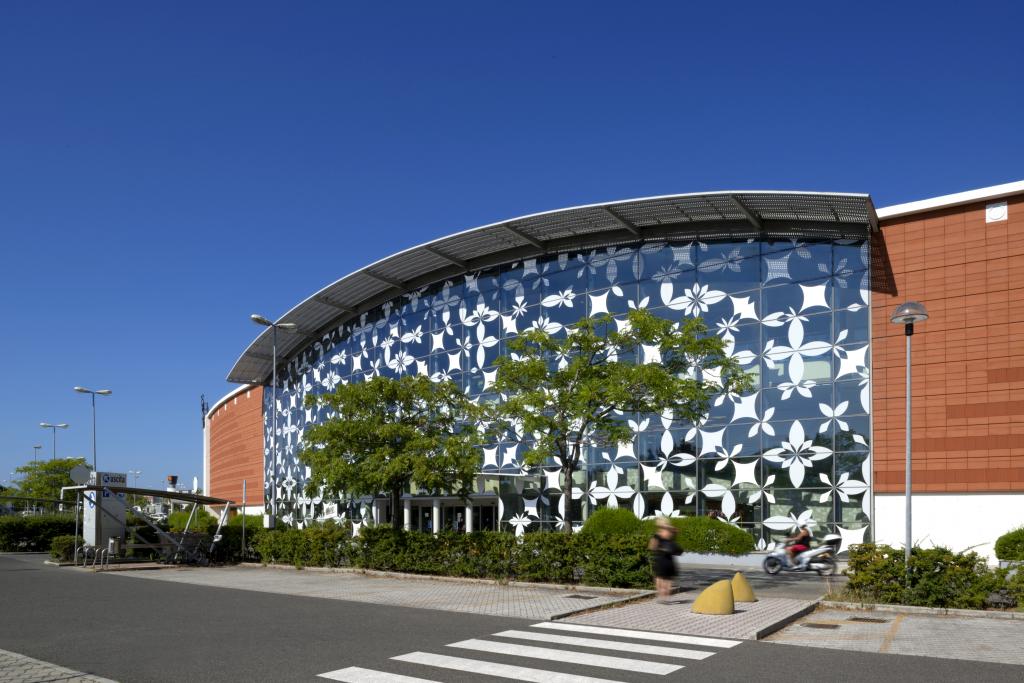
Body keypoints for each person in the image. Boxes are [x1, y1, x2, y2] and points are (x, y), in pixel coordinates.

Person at [648, 518, 681, 603]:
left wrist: (657, 548)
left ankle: (661, 593)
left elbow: (652, 546)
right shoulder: (671, 532)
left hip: (660, 558)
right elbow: (676, 532)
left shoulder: (657, 534)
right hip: (669, 559)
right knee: (668, 578)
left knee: (659, 576)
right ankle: (666, 593)